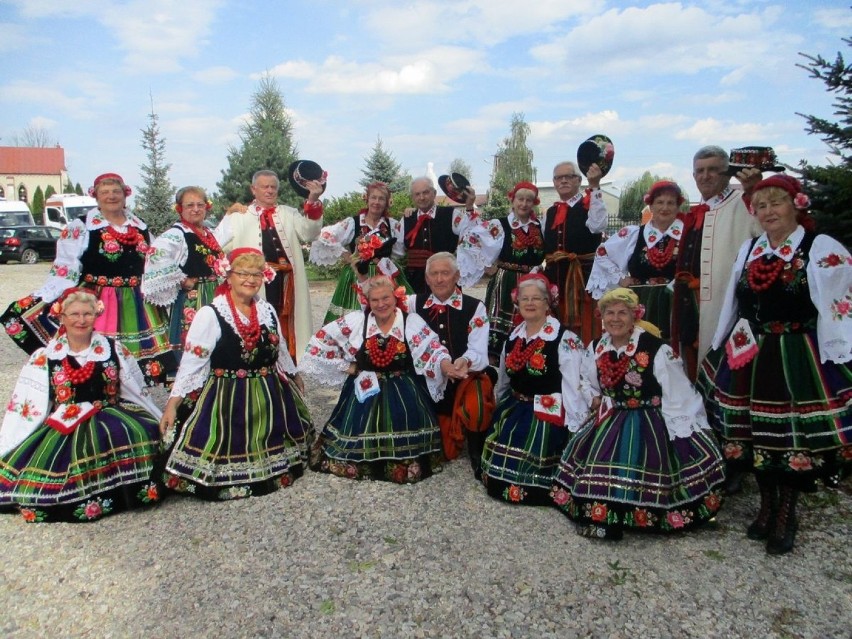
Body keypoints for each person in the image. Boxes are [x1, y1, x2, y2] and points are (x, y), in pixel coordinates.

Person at [698, 175, 851, 555]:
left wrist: (840, 348)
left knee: (791, 435)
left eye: (776, 203)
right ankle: (766, 506)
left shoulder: (818, 247)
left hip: (797, 352)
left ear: (796, 205)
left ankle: (787, 511)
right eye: (761, 206)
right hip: (751, 350)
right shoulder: (750, 249)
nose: (769, 212)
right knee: (752, 433)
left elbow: (839, 303)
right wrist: (721, 342)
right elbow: (735, 303)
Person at [551, 288, 725, 540]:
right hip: (611, 416)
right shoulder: (597, 347)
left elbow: (677, 393)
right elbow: (586, 381)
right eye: (609, 313)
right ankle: (604, 517)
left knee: (638, 465)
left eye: (623, 312)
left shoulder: (656, 349)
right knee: (597, 469)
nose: (615, 319)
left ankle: (630, 515)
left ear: (635, 316)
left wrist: (682, 432)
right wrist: (595, 398)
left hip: (648, 419)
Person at [159, 248, 312, 501]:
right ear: (227, 276)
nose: (250, 280)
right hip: (229, 398)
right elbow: (191, 364)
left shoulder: (267, 311)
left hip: (268, 392)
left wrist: (293, 375)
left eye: (256, 274)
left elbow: (280, 348)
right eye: (243, 273)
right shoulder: (211, 314)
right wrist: (172, 404)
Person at [0, 289, 163, 522]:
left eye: (87, 314)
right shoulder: (46, 356)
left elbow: (135, 391)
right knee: (60, 458)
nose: (81, 320)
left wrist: (157, 418)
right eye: (74, 314)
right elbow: (28, 404)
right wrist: (12, 440)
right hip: (65, 420)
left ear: (96, 315)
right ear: (62, 317)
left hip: (108, 413)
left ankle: (121, 493)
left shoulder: (112, 349)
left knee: (135, 432)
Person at [1, 172, 173, 384]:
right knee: (96, 357)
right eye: (105, 192)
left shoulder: (140, 227)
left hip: (137, 302)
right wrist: (50, 296)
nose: (111, 196)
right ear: (96, 197)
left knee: (135, 367)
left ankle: (130, 403)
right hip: (98, 300)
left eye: (116, 192)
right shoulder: (81, 226)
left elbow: (155, 262)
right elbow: (66, 267)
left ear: (125, 195)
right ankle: (96, 399)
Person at [299, 275, 456, 483]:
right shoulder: (358, 321)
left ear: (395, 297)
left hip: (403, 387)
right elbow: (319, 344)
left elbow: (433, 350)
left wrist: (447, 367)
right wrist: (349, 366)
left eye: (385, 298)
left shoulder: (410, 321)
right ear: (367, 301)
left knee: (403, 421)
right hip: (365, 388)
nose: (381, 304)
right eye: (375, 300)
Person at [481, 273, 591, 505]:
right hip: (515, 405)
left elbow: (574, 385)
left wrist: (576, 427)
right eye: (524, 299)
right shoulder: (514, 336)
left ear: (547, 302)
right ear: (517, 303)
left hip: (547, 411)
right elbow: (503, 379)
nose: (530, 303)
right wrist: (499, 407)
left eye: (536, 299)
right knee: (497, 472)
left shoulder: (564, 338)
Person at [215, 167, 324, 360]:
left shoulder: (288, 213)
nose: (270, 191)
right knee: (260, 320)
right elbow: (216, 246)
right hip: (255, 283)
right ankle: (262, 358)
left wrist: (313, 201)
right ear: (253, 189)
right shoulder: (238, 216)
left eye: (273, 187)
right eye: (265, 187)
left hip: (288, 281)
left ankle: (289, 363)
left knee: (286, 320)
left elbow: (310, 233)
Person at [671, 146, 760, 381]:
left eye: (713, 170)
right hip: (691, 305)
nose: (705, 176)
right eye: (699, 171)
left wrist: (755, 192)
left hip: (726, 304)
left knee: (721, 368)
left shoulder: (743, 203)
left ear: (727, 173)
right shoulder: (697, 211)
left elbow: (767, 233)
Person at [408, 252, 493, 476]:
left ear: (457, 276)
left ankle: (477, 449)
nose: (439, 279)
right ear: (426, 279)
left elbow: (479, 348)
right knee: (445, 451)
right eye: (434, 274)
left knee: (478, 403)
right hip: (428, 382)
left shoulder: (475, 307)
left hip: (465, 377)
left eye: (445, 273)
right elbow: (380, 303)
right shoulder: (413, 304)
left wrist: (464, 361)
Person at [587, 180, 686, 340]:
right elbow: (602, 253)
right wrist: (620, 277)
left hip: (677, 302)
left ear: (677, 207)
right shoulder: (634, 234)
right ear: (651, 206)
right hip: (641, 303)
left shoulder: (687, 235)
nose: (665, 208)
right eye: (659, 202)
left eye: (671, 203)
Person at [142, 186, 224, 364]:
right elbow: (156, 256)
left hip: (214, 292)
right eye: (190, 205)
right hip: (194, 298)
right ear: (180, 209)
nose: (196, 209)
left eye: (200, 205)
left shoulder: (206, 233)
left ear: (206, 207)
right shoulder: (176, 234)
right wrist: (181, 279)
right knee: (196, 343)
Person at [309, 181, 411, 323]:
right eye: (373, 197)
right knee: (355, 320)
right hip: (356, 275)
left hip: (384, 277)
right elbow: (324, 235)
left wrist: (410, 214)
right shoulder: (353, 223)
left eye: (381, 199)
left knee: (388, 315)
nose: (377, 202)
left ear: (387, 202)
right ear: (367, 199)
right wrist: (345, 255)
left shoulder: (393, 225)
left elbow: (401, 249)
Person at [396, 176, 499, 296]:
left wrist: (470, 206)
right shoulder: (406, 220)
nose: (422, 197)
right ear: (412, 197)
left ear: (434, 193)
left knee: (449, 313)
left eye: (425, 192)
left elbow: (471, 234)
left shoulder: (451, 215)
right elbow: (396, 251)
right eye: (417, 194)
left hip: (446, 278)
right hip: (415, 282)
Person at [542, 161, 608, 345]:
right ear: (554, 182)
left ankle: (585, 370)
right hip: (555, 282)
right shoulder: (550, 212)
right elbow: (544, 246)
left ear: (579, 180)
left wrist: (595, 186)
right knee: (556, 331)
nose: (563, 181)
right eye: (558, 178)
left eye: (568, 176)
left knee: (585, 333)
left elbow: (598, 225)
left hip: (582, 282)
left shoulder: (590, 203)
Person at [483, 182, 546, 362]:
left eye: (529, 200)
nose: (524, 204)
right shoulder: (500, 224)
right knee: (498, 325)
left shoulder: (539, 226)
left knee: (529, 319)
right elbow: (475, 242)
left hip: (532, 281)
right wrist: (487, 265)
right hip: (506, 280)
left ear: (534, 203)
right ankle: (495, 363)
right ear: (512, 200)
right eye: (520, 199)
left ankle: (524, 358)